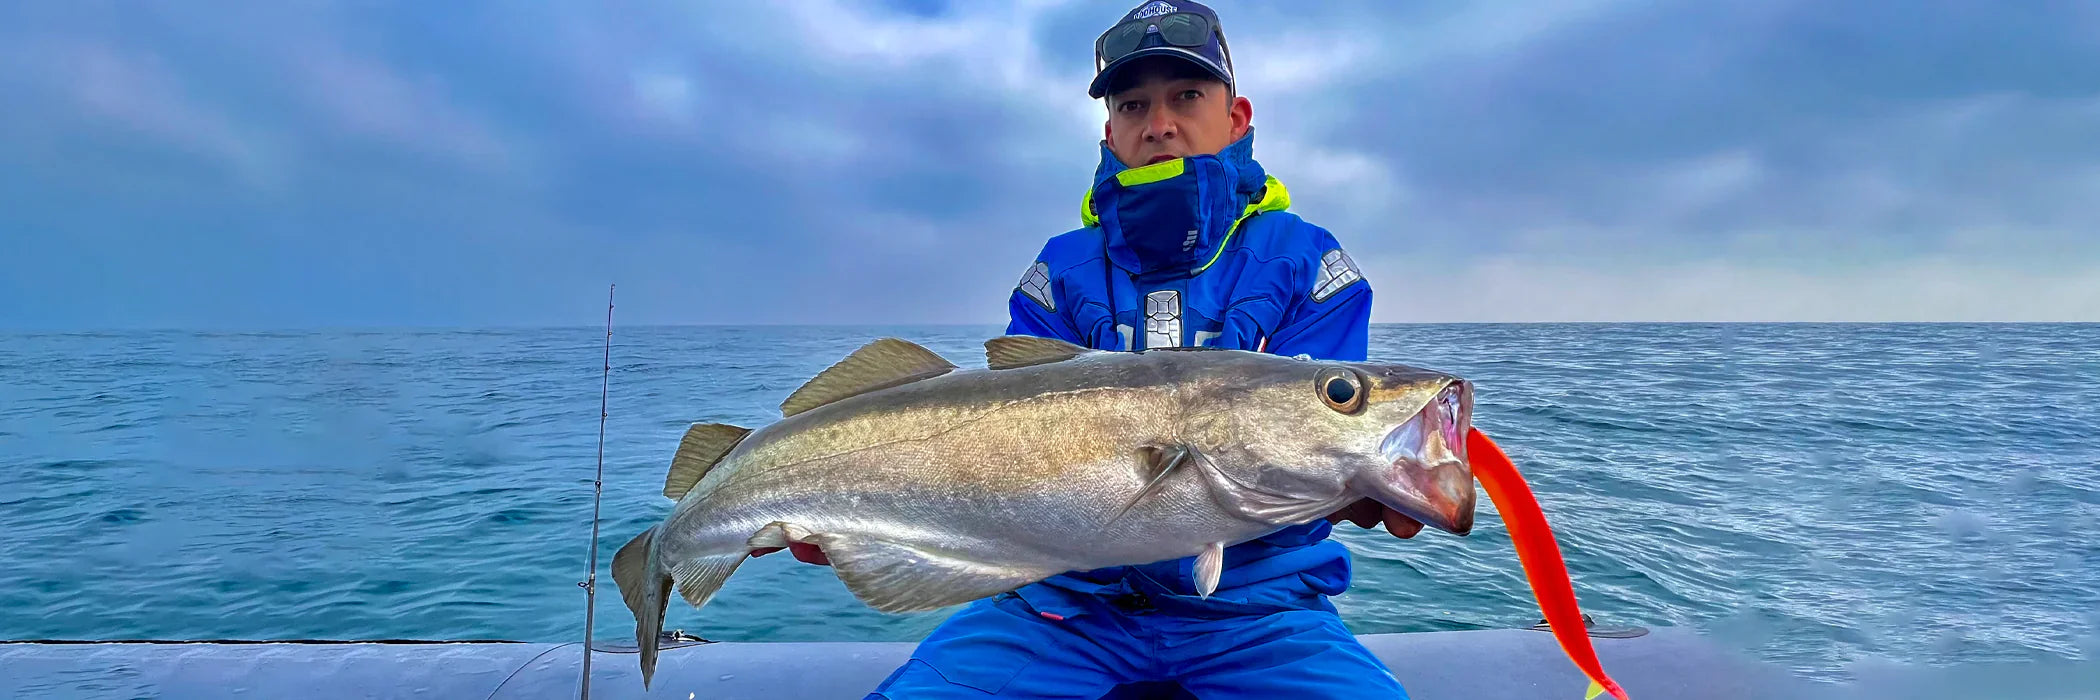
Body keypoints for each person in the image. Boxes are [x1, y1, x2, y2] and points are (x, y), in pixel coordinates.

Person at [792, 2, 1425, 697]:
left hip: (1264, 613)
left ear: (1237, 116)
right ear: (1111, 132)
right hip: (1059, 608)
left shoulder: (1307, 261)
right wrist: (877, 516)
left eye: (1186, 95)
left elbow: (1316, 442)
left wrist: (1364, 477)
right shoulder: (1060, 271)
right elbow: (1013, 456)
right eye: (1134, 105)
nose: (1160, 123)